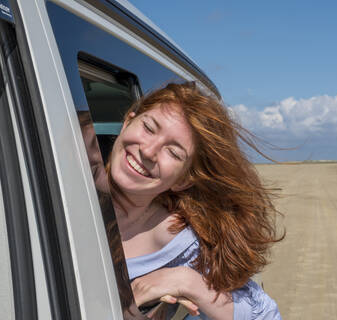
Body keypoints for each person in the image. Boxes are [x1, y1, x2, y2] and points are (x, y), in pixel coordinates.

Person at [107, 82, 284, 319]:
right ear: (127, 123)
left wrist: (184, 280)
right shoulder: (54, 169)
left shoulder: (181, 245)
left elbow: (265, 315)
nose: (149, 151)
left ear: (183, 180)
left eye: (173, 152)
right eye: (149, 128)